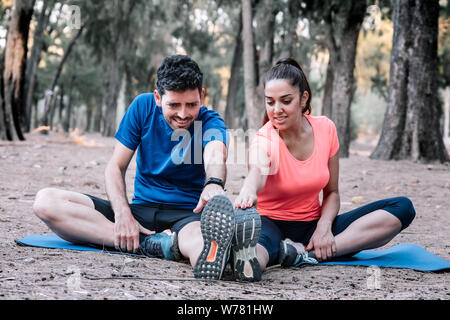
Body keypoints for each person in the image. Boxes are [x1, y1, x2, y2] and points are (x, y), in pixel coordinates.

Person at [32, 55, 250, 281]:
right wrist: (122, 212)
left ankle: (203, 253)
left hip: (187, 216)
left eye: (191, 104)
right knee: (46, 202)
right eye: (174, 105)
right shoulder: (142, 107)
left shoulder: (211, 121)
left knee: (202, 246)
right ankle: (151, 244)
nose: (183, 114)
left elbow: (215, 153)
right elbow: (115, 167)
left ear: (202, 96)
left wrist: (213, 183)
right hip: (140, 211)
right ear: (158, 98)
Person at [234, 58, 416, 279]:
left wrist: (324, 226)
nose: (276, 110)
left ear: (303, 99)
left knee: (402, 207)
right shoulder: (264, 139)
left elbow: (332, 193)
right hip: (270, 224)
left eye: (285, 101)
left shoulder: (326, 129)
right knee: (258, 250)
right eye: (270, 102)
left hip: (313, 226)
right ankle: (250, 261)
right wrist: (249, 189)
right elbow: (258, 169)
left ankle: (307, 255)